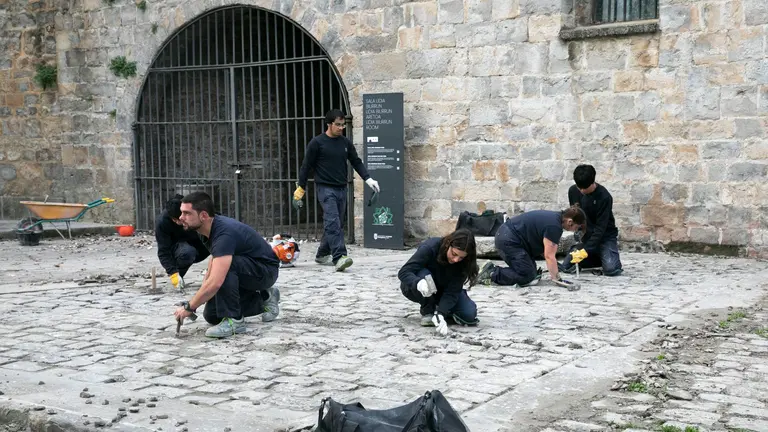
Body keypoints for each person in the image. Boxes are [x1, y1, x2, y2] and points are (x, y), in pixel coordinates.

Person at [173, 192, 281, 338]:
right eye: (181, 212)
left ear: (203, 215)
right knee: (212, 315)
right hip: (246, 269)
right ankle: (265, 298)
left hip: (265, 271)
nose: (181, 217)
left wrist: (190, 307)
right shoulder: (205, 228)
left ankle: (235, 321)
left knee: (228, 267)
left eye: (187, 213)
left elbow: (216, 281)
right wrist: (200, 296)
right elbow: (214, 260)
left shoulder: (224, 233)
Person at [292, 109, 380, 272]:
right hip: (325, 189)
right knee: (333, 222)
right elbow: (306, 167)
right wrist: (300, 190)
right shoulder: (317, 143)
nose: (341, 128)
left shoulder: (345, 143)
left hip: (341, 188)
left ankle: (322, 254)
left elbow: (356, 161)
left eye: (343, 125)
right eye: (338, 125)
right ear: (329, 124)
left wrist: (368, 179)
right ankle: (339, 257)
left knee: (335, 222)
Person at [476, 207, 586, 288]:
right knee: (527, 276)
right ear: (570, 222)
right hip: (509, 240)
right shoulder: (554, 226)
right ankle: (492, 272)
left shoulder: (555, 218)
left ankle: (494, 272)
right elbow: (549, 256)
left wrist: (555, 267)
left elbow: (544, 250)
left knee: (532, 273)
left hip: (508, 236)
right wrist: (557, 279)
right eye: (577, 227)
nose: (575, 230)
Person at [398, 229, 480, 335]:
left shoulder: (464, 262)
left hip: (443, 289)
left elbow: (453, 291)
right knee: (426, 276)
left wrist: (441, 313)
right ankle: (428, 310)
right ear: (448, 244)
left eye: (461, 257)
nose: (456, 260)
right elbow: (404, 272)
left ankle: (439, 309)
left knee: (468, 314)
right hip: (421, 285)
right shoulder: (430, 247)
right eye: (454, 254)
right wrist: (417, 282)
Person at [560, 164, 623, 276]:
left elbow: (601, 228)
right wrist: (579, 236)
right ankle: (597, 255)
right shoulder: (573, 191)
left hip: (604, 237)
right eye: (579, 188)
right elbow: (575, 216)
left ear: (592, 182)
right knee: (566, 266)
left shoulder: (604, 197)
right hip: (586, 237)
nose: (582, 191)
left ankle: (605, 255)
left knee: (611, 269)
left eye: (585, 188)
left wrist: (586, 250)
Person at [155, 194, 210, 291]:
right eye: (176, 220)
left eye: (183, 217)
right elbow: (163, 251)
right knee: (187, 252)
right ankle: (179, 276)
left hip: (198, 245)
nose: (181, 222)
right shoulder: (163, 223)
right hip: (179, 249)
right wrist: (173, 273)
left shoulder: (196, 213)